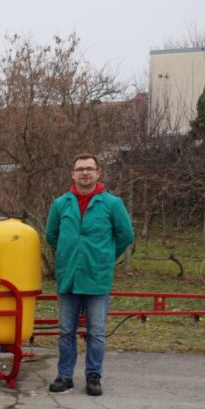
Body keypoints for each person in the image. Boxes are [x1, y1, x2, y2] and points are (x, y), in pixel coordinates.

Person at [45, 153, 134, 396]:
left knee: (96, 332)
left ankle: (93, 376)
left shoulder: (112, 204)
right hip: (69, 277)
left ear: (98, 173)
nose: (85, 173)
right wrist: (68, 255)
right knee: (66, 331)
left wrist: (104, 257)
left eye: (90, 169)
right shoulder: (60, 204)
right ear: (73, 174)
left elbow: (125, 235)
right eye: (80, 169)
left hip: (97, 277)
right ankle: (65, 376)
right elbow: (51, 235)